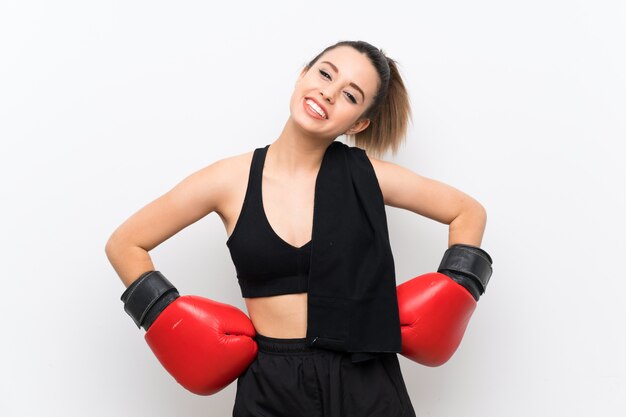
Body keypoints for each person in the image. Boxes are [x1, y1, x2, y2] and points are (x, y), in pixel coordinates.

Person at [105, 40, 491, 417]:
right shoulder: (228, 180)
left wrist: (451, 294)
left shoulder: (371, 177)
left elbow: (467, 212)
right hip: (271, 382)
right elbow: (126, 244)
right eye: (325, 74)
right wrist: (165, 317)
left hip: (366, 376)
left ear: (359, 122)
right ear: (302, 74)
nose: (328, 93)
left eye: (350, 95)